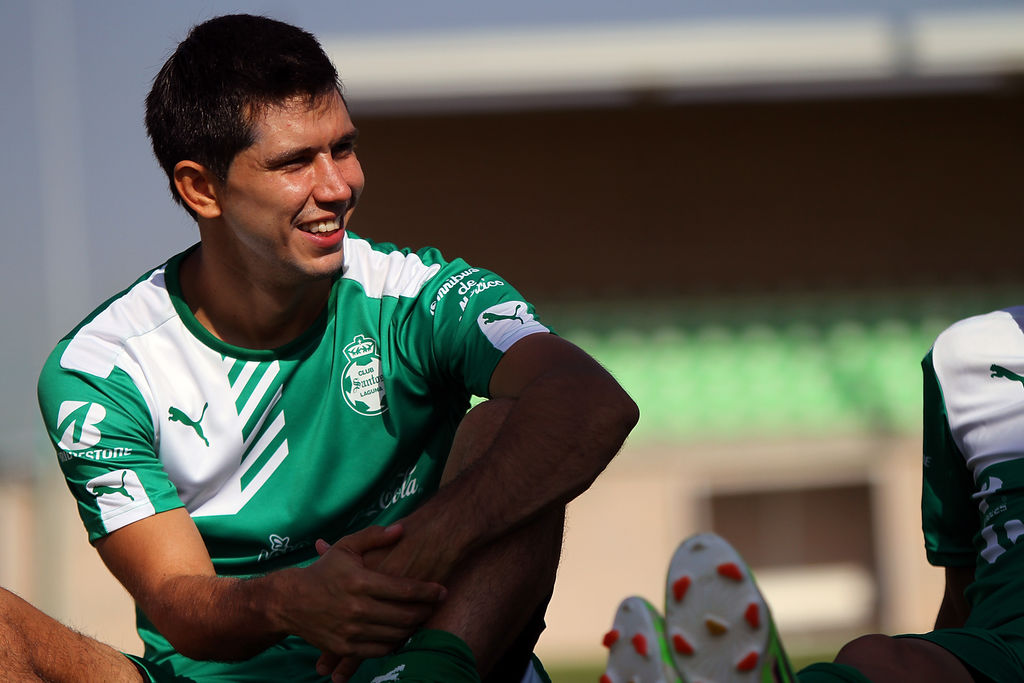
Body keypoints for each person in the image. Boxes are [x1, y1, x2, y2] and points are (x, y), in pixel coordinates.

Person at [9, 13, 638, 683]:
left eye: (342, 148)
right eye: (294, 162)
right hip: (211, 677)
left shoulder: (418, 295)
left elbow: (591, 401)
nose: (338, 186)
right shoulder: (102, 368)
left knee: (516, 422)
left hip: (414, 653)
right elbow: (177, 602)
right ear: (201, 188)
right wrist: (292, 600)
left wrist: (429, 543)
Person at [602, 308, 1024, 683]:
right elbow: (963, 585)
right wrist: (932, 655)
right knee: (875, 656)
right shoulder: (962, 355)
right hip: (1005, 644)